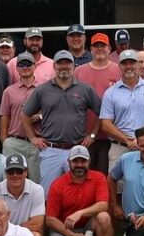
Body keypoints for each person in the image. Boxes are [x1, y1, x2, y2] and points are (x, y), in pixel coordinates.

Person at [20, 51, 101, 191]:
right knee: (48, 192)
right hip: (50, 150)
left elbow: (101, 113)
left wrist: (92, 135)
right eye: (60, 63)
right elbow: (25, 114)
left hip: (76, 150)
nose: (64, 66)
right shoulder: (42, 90)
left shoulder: (85, 89)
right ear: (54, 65)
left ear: (73, 66)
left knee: (76, 192)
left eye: (67, 63)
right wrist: (33, 138)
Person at [44, 146, 114, 236]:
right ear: (69, 162)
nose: (79, 165)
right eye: (76, 161)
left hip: (90, 226)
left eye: (83, 161)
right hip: (66, 228)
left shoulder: (99, 177)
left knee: (104, 217)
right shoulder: (58, 185)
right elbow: (50, 219)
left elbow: (103, 205)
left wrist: (80, 213)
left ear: (89, 162)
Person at [99, 49, 144, 167]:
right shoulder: (110, 93)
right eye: (125, 63)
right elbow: (105, 124)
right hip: (120, 148)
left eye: (132, 63)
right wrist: (127, 140)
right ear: (119, 66)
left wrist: (142, 140)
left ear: (137, 64)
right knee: (119, 184)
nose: (129, 66)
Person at [74, 32, 120, 173]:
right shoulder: (79, 71)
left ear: (109, 48)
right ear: (91, 49)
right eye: (96, 46)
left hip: (111, 136)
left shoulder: (118, 69)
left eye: (103, 46)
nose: (100, 49)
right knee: (84, 175)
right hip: (84, 136)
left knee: (106, 177)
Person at [0, 52, 42, 186]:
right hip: (14, 142)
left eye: (28, 64)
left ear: (34, 66)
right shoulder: (9, 91)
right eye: (21, 64)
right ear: (17, 68)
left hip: (37, 142)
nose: (25, 67)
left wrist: (40, 116)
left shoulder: (44, 89)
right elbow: (5, 116)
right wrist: (4, 139)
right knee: (9, 183)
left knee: (36, 183)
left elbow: (54, 113)